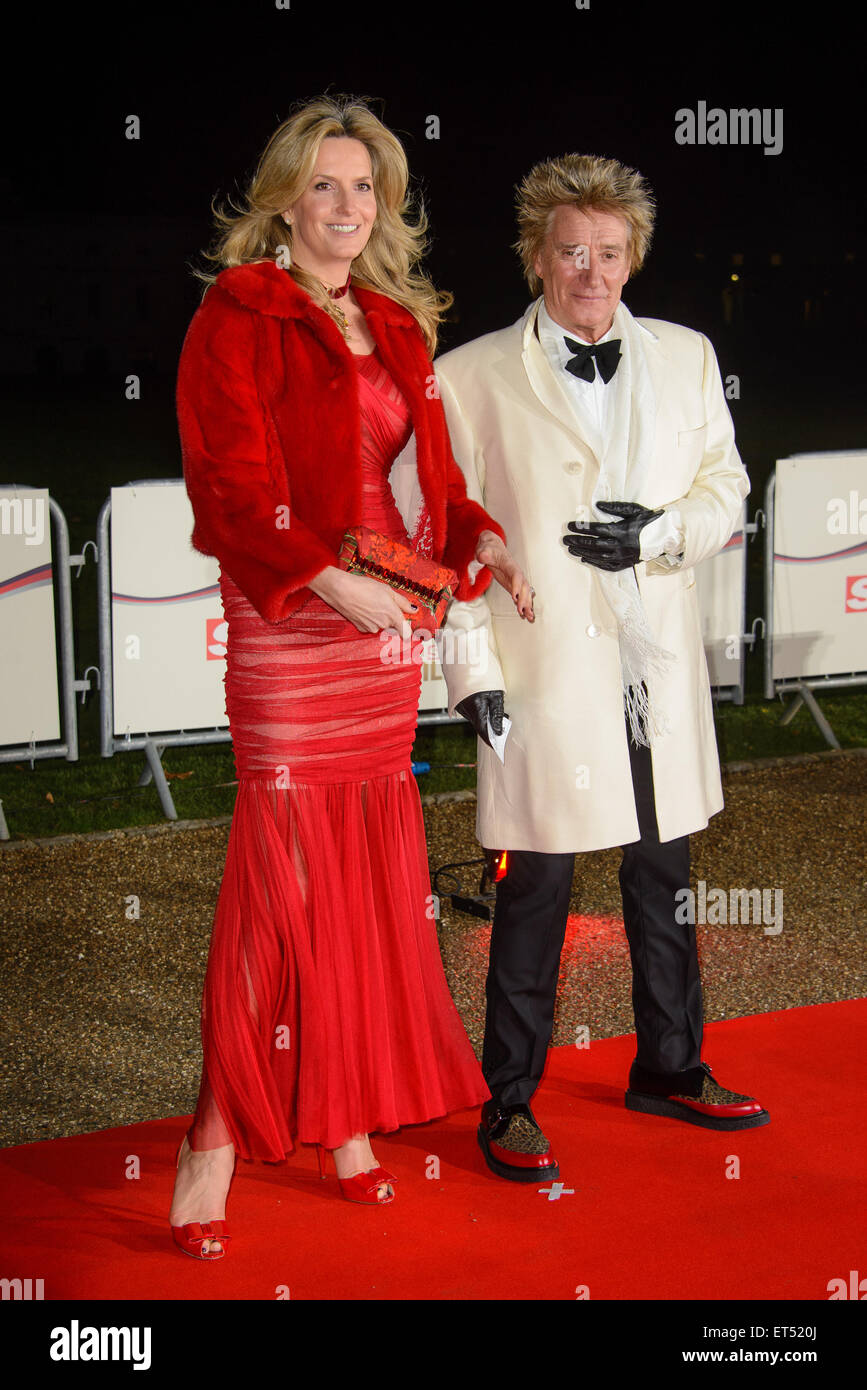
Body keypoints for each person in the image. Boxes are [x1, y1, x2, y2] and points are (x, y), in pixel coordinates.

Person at [170, 95, 531, 1256]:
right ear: (283, 197)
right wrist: (329, 582)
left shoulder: (397, 322)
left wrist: (481, 542)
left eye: (363, 187)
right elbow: (227, 490)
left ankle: (347, 1126)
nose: (344, 206)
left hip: (387, 620)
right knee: (280, 883)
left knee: (370, 875)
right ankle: (212, 1141)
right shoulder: (238, 313)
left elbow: (434, 481)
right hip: (292, 617)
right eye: (323, 185)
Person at [435, 153, 769, 1185]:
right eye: (571, 251)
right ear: (536, 257)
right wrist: (466, 669)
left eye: (610, 252)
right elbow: (449, 536)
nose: (591, 270)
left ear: (634, 258)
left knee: (662, 872)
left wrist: (664, 533)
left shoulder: (685, 354)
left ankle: (669, 1064)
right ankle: (510, 1103)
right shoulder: (468, 375)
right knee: (536, 881)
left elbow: (727, 484)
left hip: (652, 667)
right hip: (543, 674)